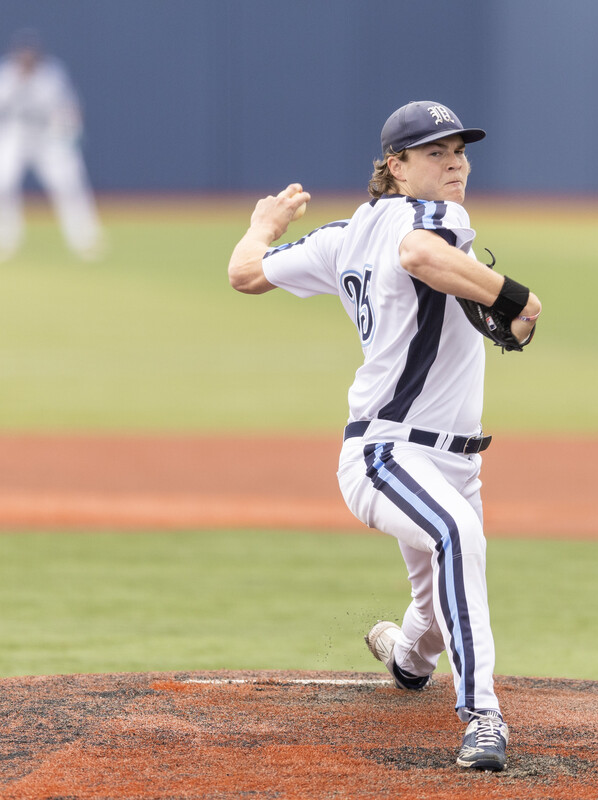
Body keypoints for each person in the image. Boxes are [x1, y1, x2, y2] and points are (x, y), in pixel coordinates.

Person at [227, 100, 541, 771]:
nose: (454, 162)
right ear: (395, 166)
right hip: (388, 452)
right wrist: (515, 299)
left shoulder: (345, 234)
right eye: (434, 153)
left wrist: (261, 227)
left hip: (444, 460)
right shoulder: (424, 217)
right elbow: (419, 253)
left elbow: (245, 273)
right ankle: (483, 714)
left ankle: (403, 660)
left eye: (458, 149)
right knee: (458, 535)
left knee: (429, 620)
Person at [0, 29, 104, 262]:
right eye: (22, 54)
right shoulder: (1, 75)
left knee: (68, 181)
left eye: (30, 55)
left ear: (38, 56)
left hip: (47, 136)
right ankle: (4, 239)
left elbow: (69, 109)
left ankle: (85, 238)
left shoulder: (51, 75)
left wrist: (70, 132)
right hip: (12, 135)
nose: (26, 59)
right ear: (15, 55)